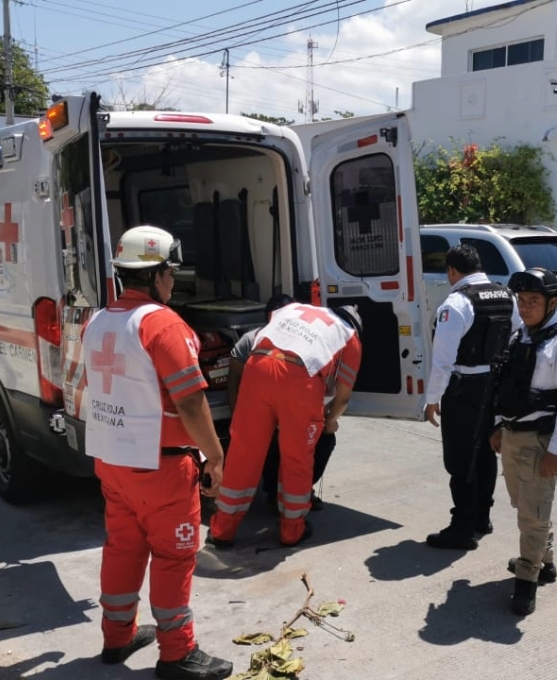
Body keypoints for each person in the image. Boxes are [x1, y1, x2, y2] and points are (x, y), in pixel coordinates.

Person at [83, 225, 233, 680]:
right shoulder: (163, 323)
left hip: (112, 461)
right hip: (161, 468)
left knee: (124, 548)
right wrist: (216, 456)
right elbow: (189, 399)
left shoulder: (98, 319)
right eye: (170, 272)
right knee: (173, 555)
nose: (173, 281)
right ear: (157, 274)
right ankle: (177, 653)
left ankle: (118, 636)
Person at [209, 302, 363, 548]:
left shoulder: (294, 309)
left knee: (243, 454)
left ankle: (222, 530)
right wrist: (329, 421)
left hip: (257, 369)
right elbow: (343, 396)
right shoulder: (349, 336)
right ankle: (292, 530)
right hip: (299, 382)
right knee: (296, 458)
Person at [489, 268, 557, 616]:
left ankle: (526, 583)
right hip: (513, 437)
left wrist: (555, 451)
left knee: (532, 515)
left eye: (533, 301)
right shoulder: (521, 337)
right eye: (521, 300)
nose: (525, 307)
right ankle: (545, 561)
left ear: (552, 302)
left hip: (540, 442)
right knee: (526, 506)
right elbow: (506, 388)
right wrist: (499, 426)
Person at [424, 244, 521, 551]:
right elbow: (516, 336)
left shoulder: (457, 303)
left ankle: (462, 528)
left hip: (464, 387)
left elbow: (443, 359)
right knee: (484, 453)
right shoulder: (506, 295)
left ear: (452, 271)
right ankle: (482, 518)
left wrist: (432, 398)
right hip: (494, 383)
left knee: (461, 458)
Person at [226, 294, 337, 514]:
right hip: (260, 411)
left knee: (324, 440)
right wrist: (238, 418)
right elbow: (234, 379)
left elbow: (324, 383)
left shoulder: (310, 341)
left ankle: (300, 491)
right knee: (268, 444)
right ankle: (273, 493)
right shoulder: (251, 340)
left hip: (295, 411)